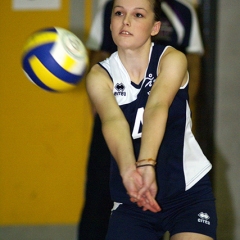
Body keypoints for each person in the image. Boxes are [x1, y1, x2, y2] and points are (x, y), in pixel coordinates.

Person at [85, 0, 217, 239]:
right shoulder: (99, 75)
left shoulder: (172, 59)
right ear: (110, 22)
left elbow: (156, 105)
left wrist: (146, 163)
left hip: (187, 192)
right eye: (119, 13)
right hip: (134, 195)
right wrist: (129, 172)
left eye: (138, 15)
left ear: (155, 27)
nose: (126, 21)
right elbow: (113, 121)